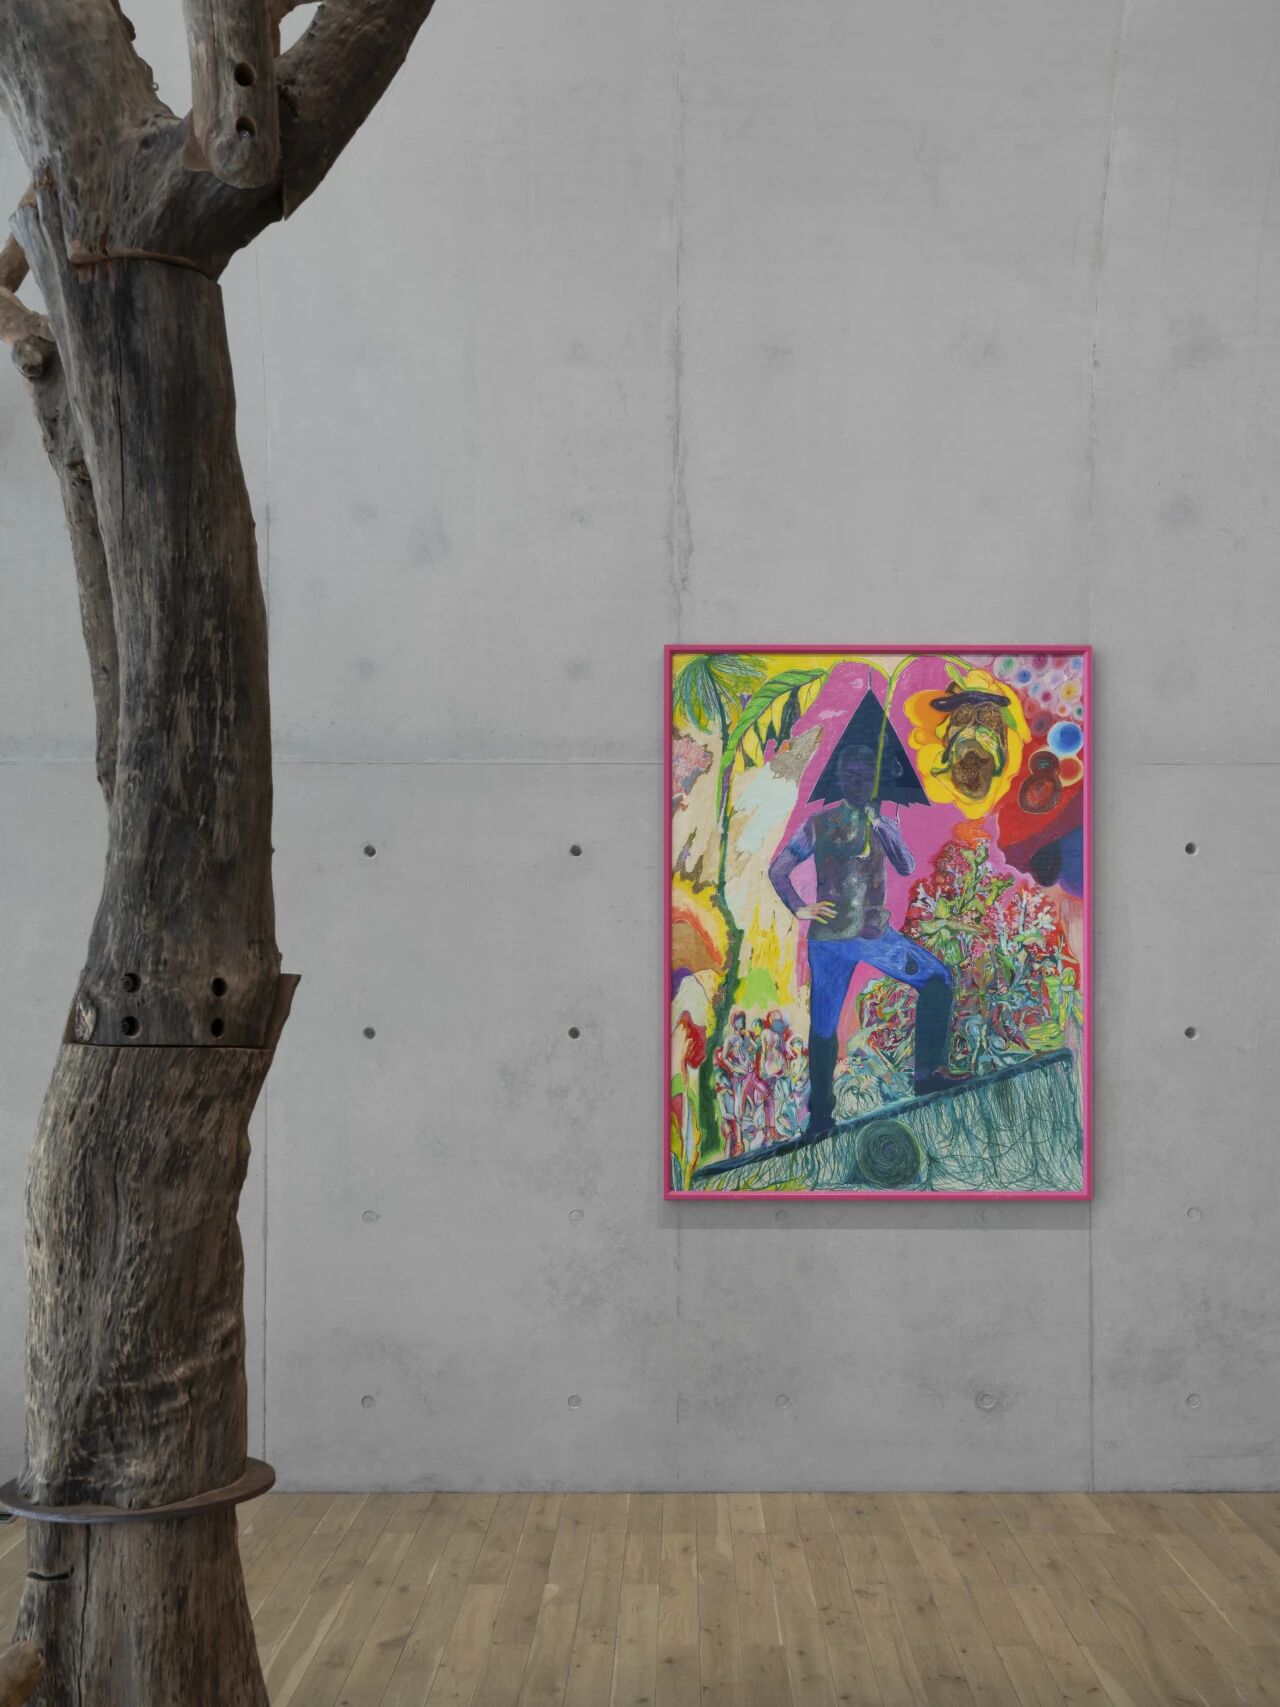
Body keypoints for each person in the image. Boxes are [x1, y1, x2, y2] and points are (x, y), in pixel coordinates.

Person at [769, 728, 962, 1139]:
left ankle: (927, 1074)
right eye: (851, 777)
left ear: (874, 782)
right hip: (829, 942)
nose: (858, 785)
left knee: (937, 980)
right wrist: (799, 907)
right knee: (824, 1027)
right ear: (840, 780)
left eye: (866, 778)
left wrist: (882, 826)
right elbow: (779, 869)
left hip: (874, 935)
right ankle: (821, 1117)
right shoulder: (819, 824)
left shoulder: (882, 823)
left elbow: (906, 865)